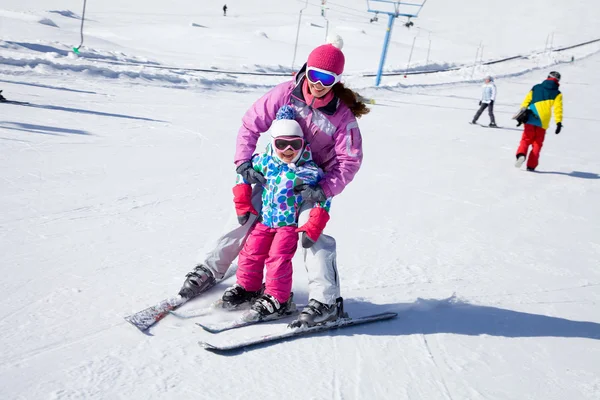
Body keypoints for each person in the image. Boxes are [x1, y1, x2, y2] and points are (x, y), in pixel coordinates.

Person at [178, 35, 370, 327]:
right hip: (276, 174)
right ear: (306, 69)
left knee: (312, 235)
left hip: (311, 183)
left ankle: (326, 302)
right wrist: (244, 161)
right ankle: (211, 269)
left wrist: (323, 189)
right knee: (244, 216)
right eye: (315, 75)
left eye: (327, 79)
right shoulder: (285, 93)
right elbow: (250, 124)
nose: (319, 83)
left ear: (337, 81)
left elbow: (350, 160)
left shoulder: (341, 117)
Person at [221, 105, 332, 320]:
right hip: (264, 221)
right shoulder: (265, 162)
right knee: (250, 252)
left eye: (294, 144)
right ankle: (248, 288)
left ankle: (278, 298)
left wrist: (315, 221)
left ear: (303, 144)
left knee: (278, 259)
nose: (288, 150)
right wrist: (243, 199)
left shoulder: (308, 170)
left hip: (288, 226)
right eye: (282, 144)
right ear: (273, 143)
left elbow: (323, 195)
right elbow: (242, 172)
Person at [514, 71, 563, 171]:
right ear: (557, 81)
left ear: (547, 77)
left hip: (531, 116)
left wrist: (521, 114)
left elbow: (526, 102)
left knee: (526, 139)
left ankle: (521, 154)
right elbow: (558, 109)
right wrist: (558, 122)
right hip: (543, 120)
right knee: (537, 143)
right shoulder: (557, 93)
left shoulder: (536, 87)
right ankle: (531, 165)